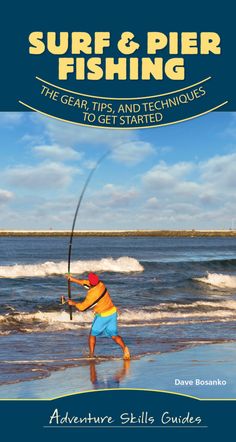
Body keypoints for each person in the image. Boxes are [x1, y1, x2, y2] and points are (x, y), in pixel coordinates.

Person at [65, 272, 131, 360]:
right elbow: (87, 283)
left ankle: (91, 355)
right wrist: (73, 280)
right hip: (112, 313)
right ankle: (125, 349)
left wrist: (73, 303)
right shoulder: (100, 284)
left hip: (102, 316)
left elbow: (83, 308)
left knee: (92, 335)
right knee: (114, 336)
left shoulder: (92, 295)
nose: (88, 280)